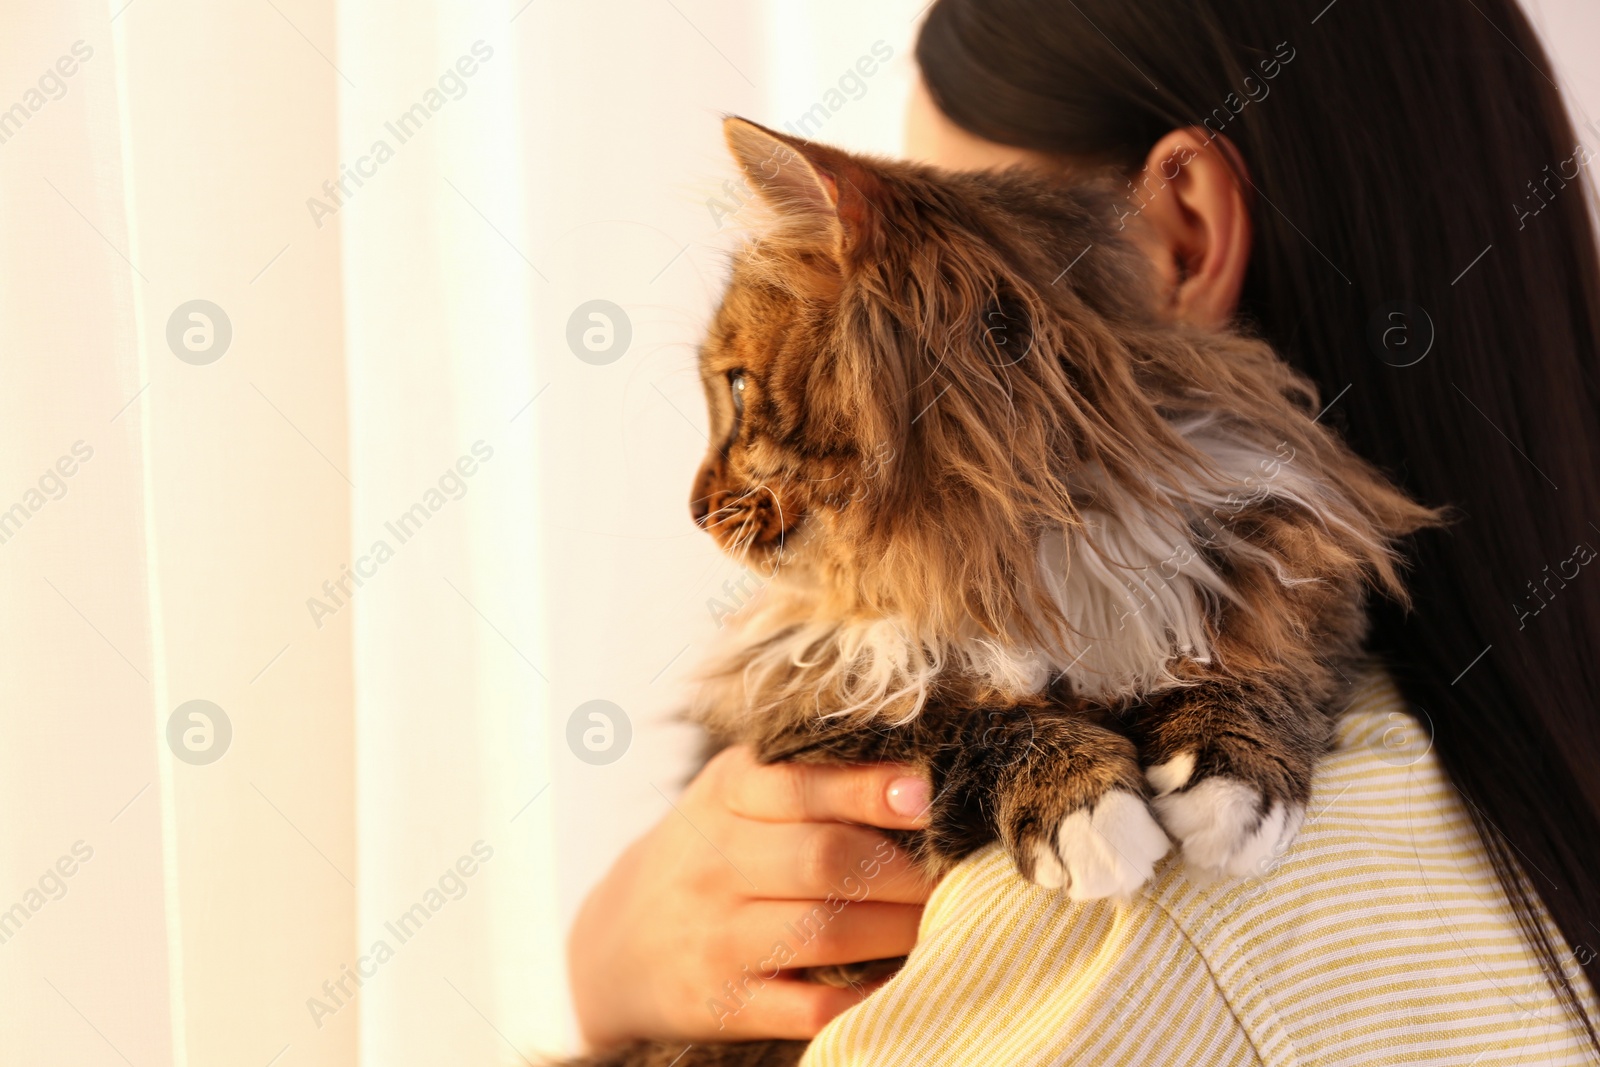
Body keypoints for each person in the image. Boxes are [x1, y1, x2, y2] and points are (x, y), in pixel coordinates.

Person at [570, 0, 1600, 1060]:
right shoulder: (1519, 749)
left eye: (962, 202)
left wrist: (602, 970)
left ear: (1181, 234)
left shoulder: (1118, 934)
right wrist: (619, 956)